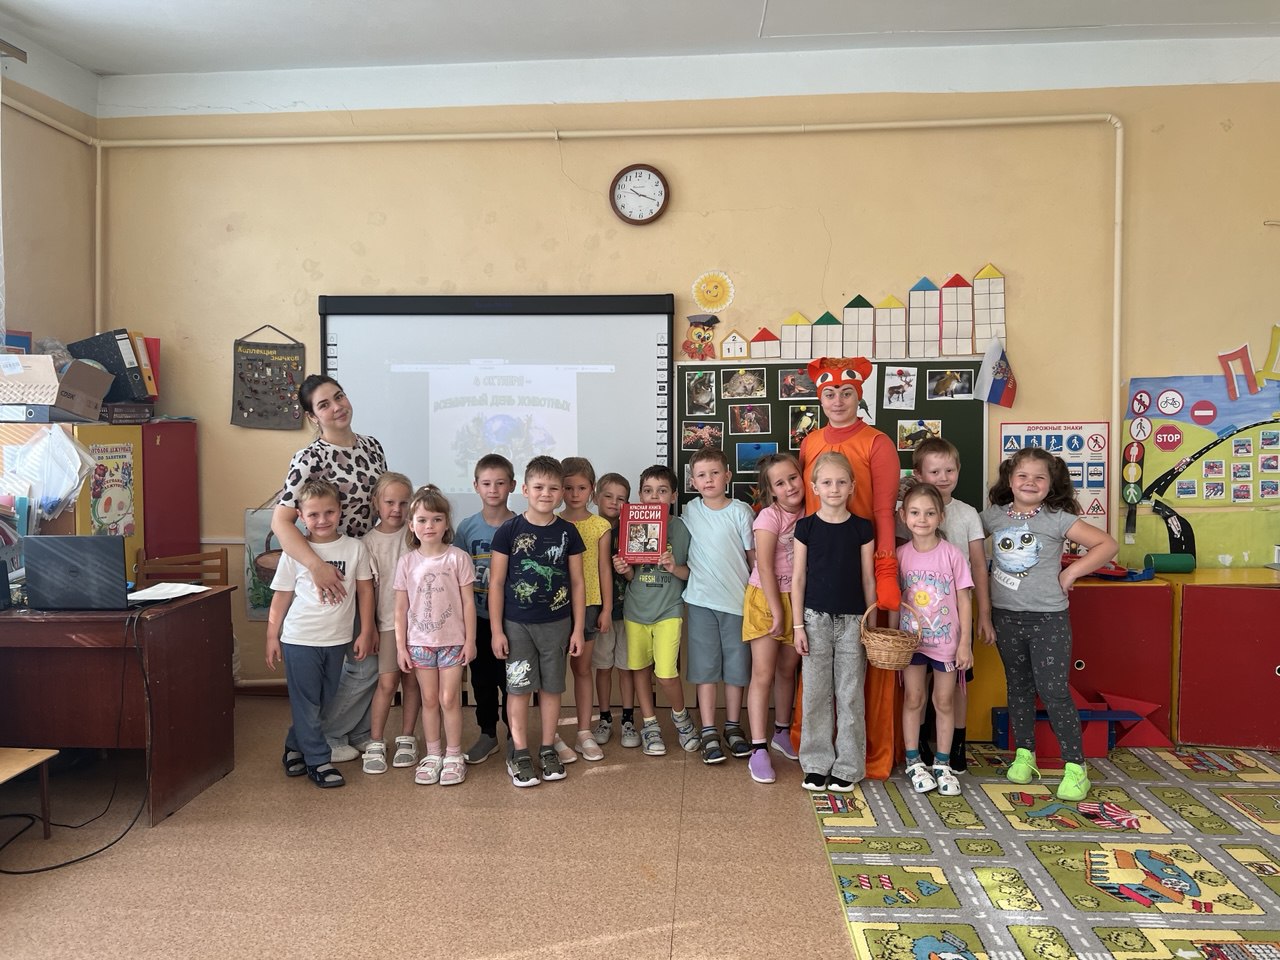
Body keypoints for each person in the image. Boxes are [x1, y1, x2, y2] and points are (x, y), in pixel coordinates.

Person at [982, 447, 1118, 802]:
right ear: (1010, 479)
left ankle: (1075, 767)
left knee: (1054, 690)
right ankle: (1024, 755)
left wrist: (1071, 573)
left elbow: (1106, 544)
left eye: (1039, 477)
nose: (1030, 483)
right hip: (1005, 616)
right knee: (1019, 688)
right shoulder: (993, 516)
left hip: (1048, 619)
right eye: (1022, 476)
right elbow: (964, 538)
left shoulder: (1057, 518)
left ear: (1051, 483)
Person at [272, 374, 388, 763]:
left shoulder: (372, 446)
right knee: (353, 667)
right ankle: (321, 737)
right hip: (331, 573)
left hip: (367, 565)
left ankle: (341, 733)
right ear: (312, 416)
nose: (337, 407)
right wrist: (317, 567)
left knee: (366, 661)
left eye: (339, 397)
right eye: (324, 404)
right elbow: (281, 522)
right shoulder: (309, 458)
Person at [797, 357, 901, 780]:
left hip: (859, 581)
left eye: (846, 393)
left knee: (852, 687)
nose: (838, 400)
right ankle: (815, 758)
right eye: (829, 393)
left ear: (858, 396)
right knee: (817, 688)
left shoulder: (878, 443)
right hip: (817, 592)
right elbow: (805, 511)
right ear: (820, 399)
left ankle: (853, 760)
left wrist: (885, 572)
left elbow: (884, 512)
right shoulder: (810, 443)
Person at [266, 479, 375, 789]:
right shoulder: (296, 552)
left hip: (337, 640)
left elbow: (365, 591)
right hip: (299, 639)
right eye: (313, 514)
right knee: (306, 702)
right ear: (301, 516)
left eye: (329, 512)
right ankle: (318, 760)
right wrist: (272, 635)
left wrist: (367, 630)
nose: (322, 520)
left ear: (340, 511)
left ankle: (294, 745)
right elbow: (282, 596)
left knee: (324, 701)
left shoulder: (355, 548)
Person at [489, 456, 586, 787]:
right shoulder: (509, 531)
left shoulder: (568, 532)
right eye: (539, 487)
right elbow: (496, 583)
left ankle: (547, 748)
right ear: (525, 489)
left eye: (553, 488)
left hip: (557, 625)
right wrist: (497, 630)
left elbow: (577, 584)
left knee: (552, 688)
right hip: (516, 626)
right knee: (517, 689)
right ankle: (519, 752)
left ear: (561, 493)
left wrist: (577, 629)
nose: (546, 493)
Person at [898, 437, 994, 772]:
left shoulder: (966, 514)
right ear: (919, 473)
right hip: (916, 627)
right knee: (917, 690)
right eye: (934, 471)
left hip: (953, 621)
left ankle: (955, 745)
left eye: (949, 470)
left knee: (954, 689)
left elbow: (978, 565)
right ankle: (922, 747)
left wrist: (984, 614)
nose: (942, 477)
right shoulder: (909, 517)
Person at [791, 452, 875, 793]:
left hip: (854, 621)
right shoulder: (806, 528)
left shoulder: (862, 528)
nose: (834, 488)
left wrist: (870, 624)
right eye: (826, 482)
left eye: (841, 482)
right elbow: (798, 579)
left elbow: (868, 578)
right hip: (814, 620)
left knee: (850, 694)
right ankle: (815, 763)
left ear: (852, 486)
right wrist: (798, 626)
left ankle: (849, 766)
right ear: (815, 488)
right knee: (815, 694)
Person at [613, 465, 699, 757]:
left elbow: (690, 573)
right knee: (639, 668)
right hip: (635, 610)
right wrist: (624, 569)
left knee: (665, 673)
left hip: (668, 610)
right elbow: (631, 576)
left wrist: (674, 566)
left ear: (673, 496)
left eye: (662, 491)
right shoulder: (631, 523)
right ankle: (650, 724)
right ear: (640, 495)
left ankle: (681, 718)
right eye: (648, 491)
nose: (654, 497)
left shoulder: (682, 529)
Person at [394, 485, 477, 786]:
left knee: (449, 698)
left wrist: (470, 640)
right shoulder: (407, 562)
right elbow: (400, 607)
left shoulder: (457, 558)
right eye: (422, 520)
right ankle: (433, 754)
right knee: (429, 699)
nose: (429, 526)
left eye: (436, 519)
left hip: (453, 642)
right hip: (419, 644)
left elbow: (468, 602)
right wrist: (401, 647)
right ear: (411, 525)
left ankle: (454, 755)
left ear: (446, 523)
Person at [896, 482, 973, 797]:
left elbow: (965, 600)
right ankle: (914, 761)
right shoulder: (901, 555)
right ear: (903, 516)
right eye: (915, 513)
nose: (922, 519)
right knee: (914, 699)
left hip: (946, 645)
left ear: (941, 516)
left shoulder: (952, 554)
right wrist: (893, 639)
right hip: (912, 644)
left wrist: (964, 643)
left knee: (943, 701)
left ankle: (942, 764)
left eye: (929, 513)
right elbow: (894, 601)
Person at [682, 447, 755, 765]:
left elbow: (753, 559)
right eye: (701, 475)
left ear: (727, 475)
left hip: (738, 603)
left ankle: (733, 726)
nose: (708, 479)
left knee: (737, 669)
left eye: (714, 473)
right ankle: (709, 729)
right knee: (705, 668)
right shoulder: (689, 511)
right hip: (700, 601)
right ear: (693, 482)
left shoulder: (741, 511)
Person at [742, 453, 806, 785]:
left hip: (798, 599)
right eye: (780, 483)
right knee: (763, 673)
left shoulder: (812, 512)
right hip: (766, 599)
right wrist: (777, 611)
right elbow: (765, 567)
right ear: (771, 491)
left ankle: (782, 732)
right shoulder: (768, 517)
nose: (790, 486)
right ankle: (758, 748)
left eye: (793, 478)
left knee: (787, 669)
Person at [454, 454, 517, 765]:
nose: (493, 489)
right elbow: (455, 575)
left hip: (512, 620)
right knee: (482, 680)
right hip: (477, 618)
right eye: (487, 483)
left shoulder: (520, 525)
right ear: (476, 486)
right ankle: (488, 734)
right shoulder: (467, 528)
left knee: (512, 681)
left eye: (500, 483)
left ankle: (515, 737)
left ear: (513, 486)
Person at [359, 471, 423, 774]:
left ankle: (407, 737)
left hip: (420, 626)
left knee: (412, 683)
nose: (396, 509)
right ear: (376, 502)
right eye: (389, 502)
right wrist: (369, 627)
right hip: (387, 624)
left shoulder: (417, 536)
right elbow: (367, 590)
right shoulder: (367, 543)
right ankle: (376, 740)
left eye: (403, 503)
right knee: (386, 683)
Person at [558, 456, 612, 763]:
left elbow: (604, 569)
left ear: (592, 489)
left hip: (590, 604)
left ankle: (583, 732)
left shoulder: (599, 526)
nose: (575, 494)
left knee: (582, 669)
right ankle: (551, 733)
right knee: (553, 673)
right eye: (568, 487)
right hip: (555, 607)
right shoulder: (552, 522)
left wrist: (606, 608)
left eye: (581, 487)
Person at [591, 472, 639, 748]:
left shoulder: (632, 530)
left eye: (621, 498)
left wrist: (627, 570)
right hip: (601, 613)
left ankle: (628, 719)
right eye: (608, 496)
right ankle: (605, 717)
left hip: (629, 610)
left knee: (626, 666)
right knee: (603, 666)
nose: (613, 502)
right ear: (596, 497)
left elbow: (637, 575)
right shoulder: (590, 528)